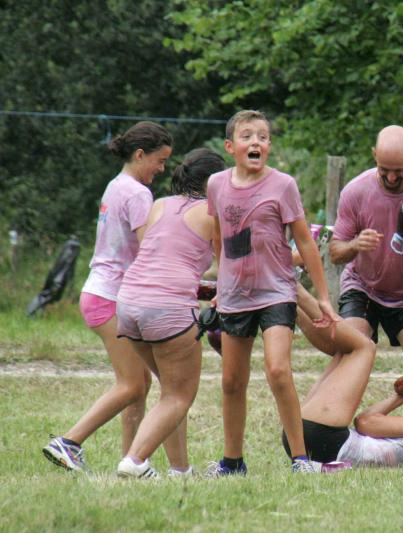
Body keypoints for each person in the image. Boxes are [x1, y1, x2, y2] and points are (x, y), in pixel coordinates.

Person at [205, 110, 338, 475]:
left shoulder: (283, 185)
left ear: (269, 146)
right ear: (231, 146)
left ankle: (301, 459)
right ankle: (232, 462)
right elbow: (219, 234)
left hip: (277, 291)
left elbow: (306, 242)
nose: (256, 142)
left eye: (262, 137)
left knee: (278, 370)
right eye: (248, 136)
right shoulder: (216, 184)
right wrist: (219, 283)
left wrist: (322, 297)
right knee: (232, 381)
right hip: (234, 295)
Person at [43, 121, 173, 471]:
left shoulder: (117, 185)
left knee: (140, 384)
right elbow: (150, 249)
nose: (161, 169)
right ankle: (68, 442)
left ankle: (132, 461)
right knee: (131, 384)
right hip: (110, 298)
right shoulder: (137, 193)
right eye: (159, 161)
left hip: (100, 292)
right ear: (140, 154)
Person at [114, 148, 225, 478]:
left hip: (130, 302)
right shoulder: (212, 213)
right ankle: (134, 461)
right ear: (214, 182)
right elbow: (229, 266)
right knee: (179, 395)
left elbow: (160, 259)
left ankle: (180, 470)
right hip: (169, 310)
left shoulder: (159, 205)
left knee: (169, 391)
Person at [283, 285, 403, 467]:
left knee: (364, 347)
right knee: (343, 350)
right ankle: (285, 293)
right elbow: (365, 420)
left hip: (325, 440)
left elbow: (364, 422)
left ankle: (293, 285)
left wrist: (400, 397)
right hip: (318, 441)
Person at [328, 126, 403, 373]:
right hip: (363, 288)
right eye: (384, 170)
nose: (392, 178)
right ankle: (335, 411)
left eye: (399, 171)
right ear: (374, 155)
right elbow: (335, 252)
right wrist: (355, 244)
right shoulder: (356, 191)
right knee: (349, 354)